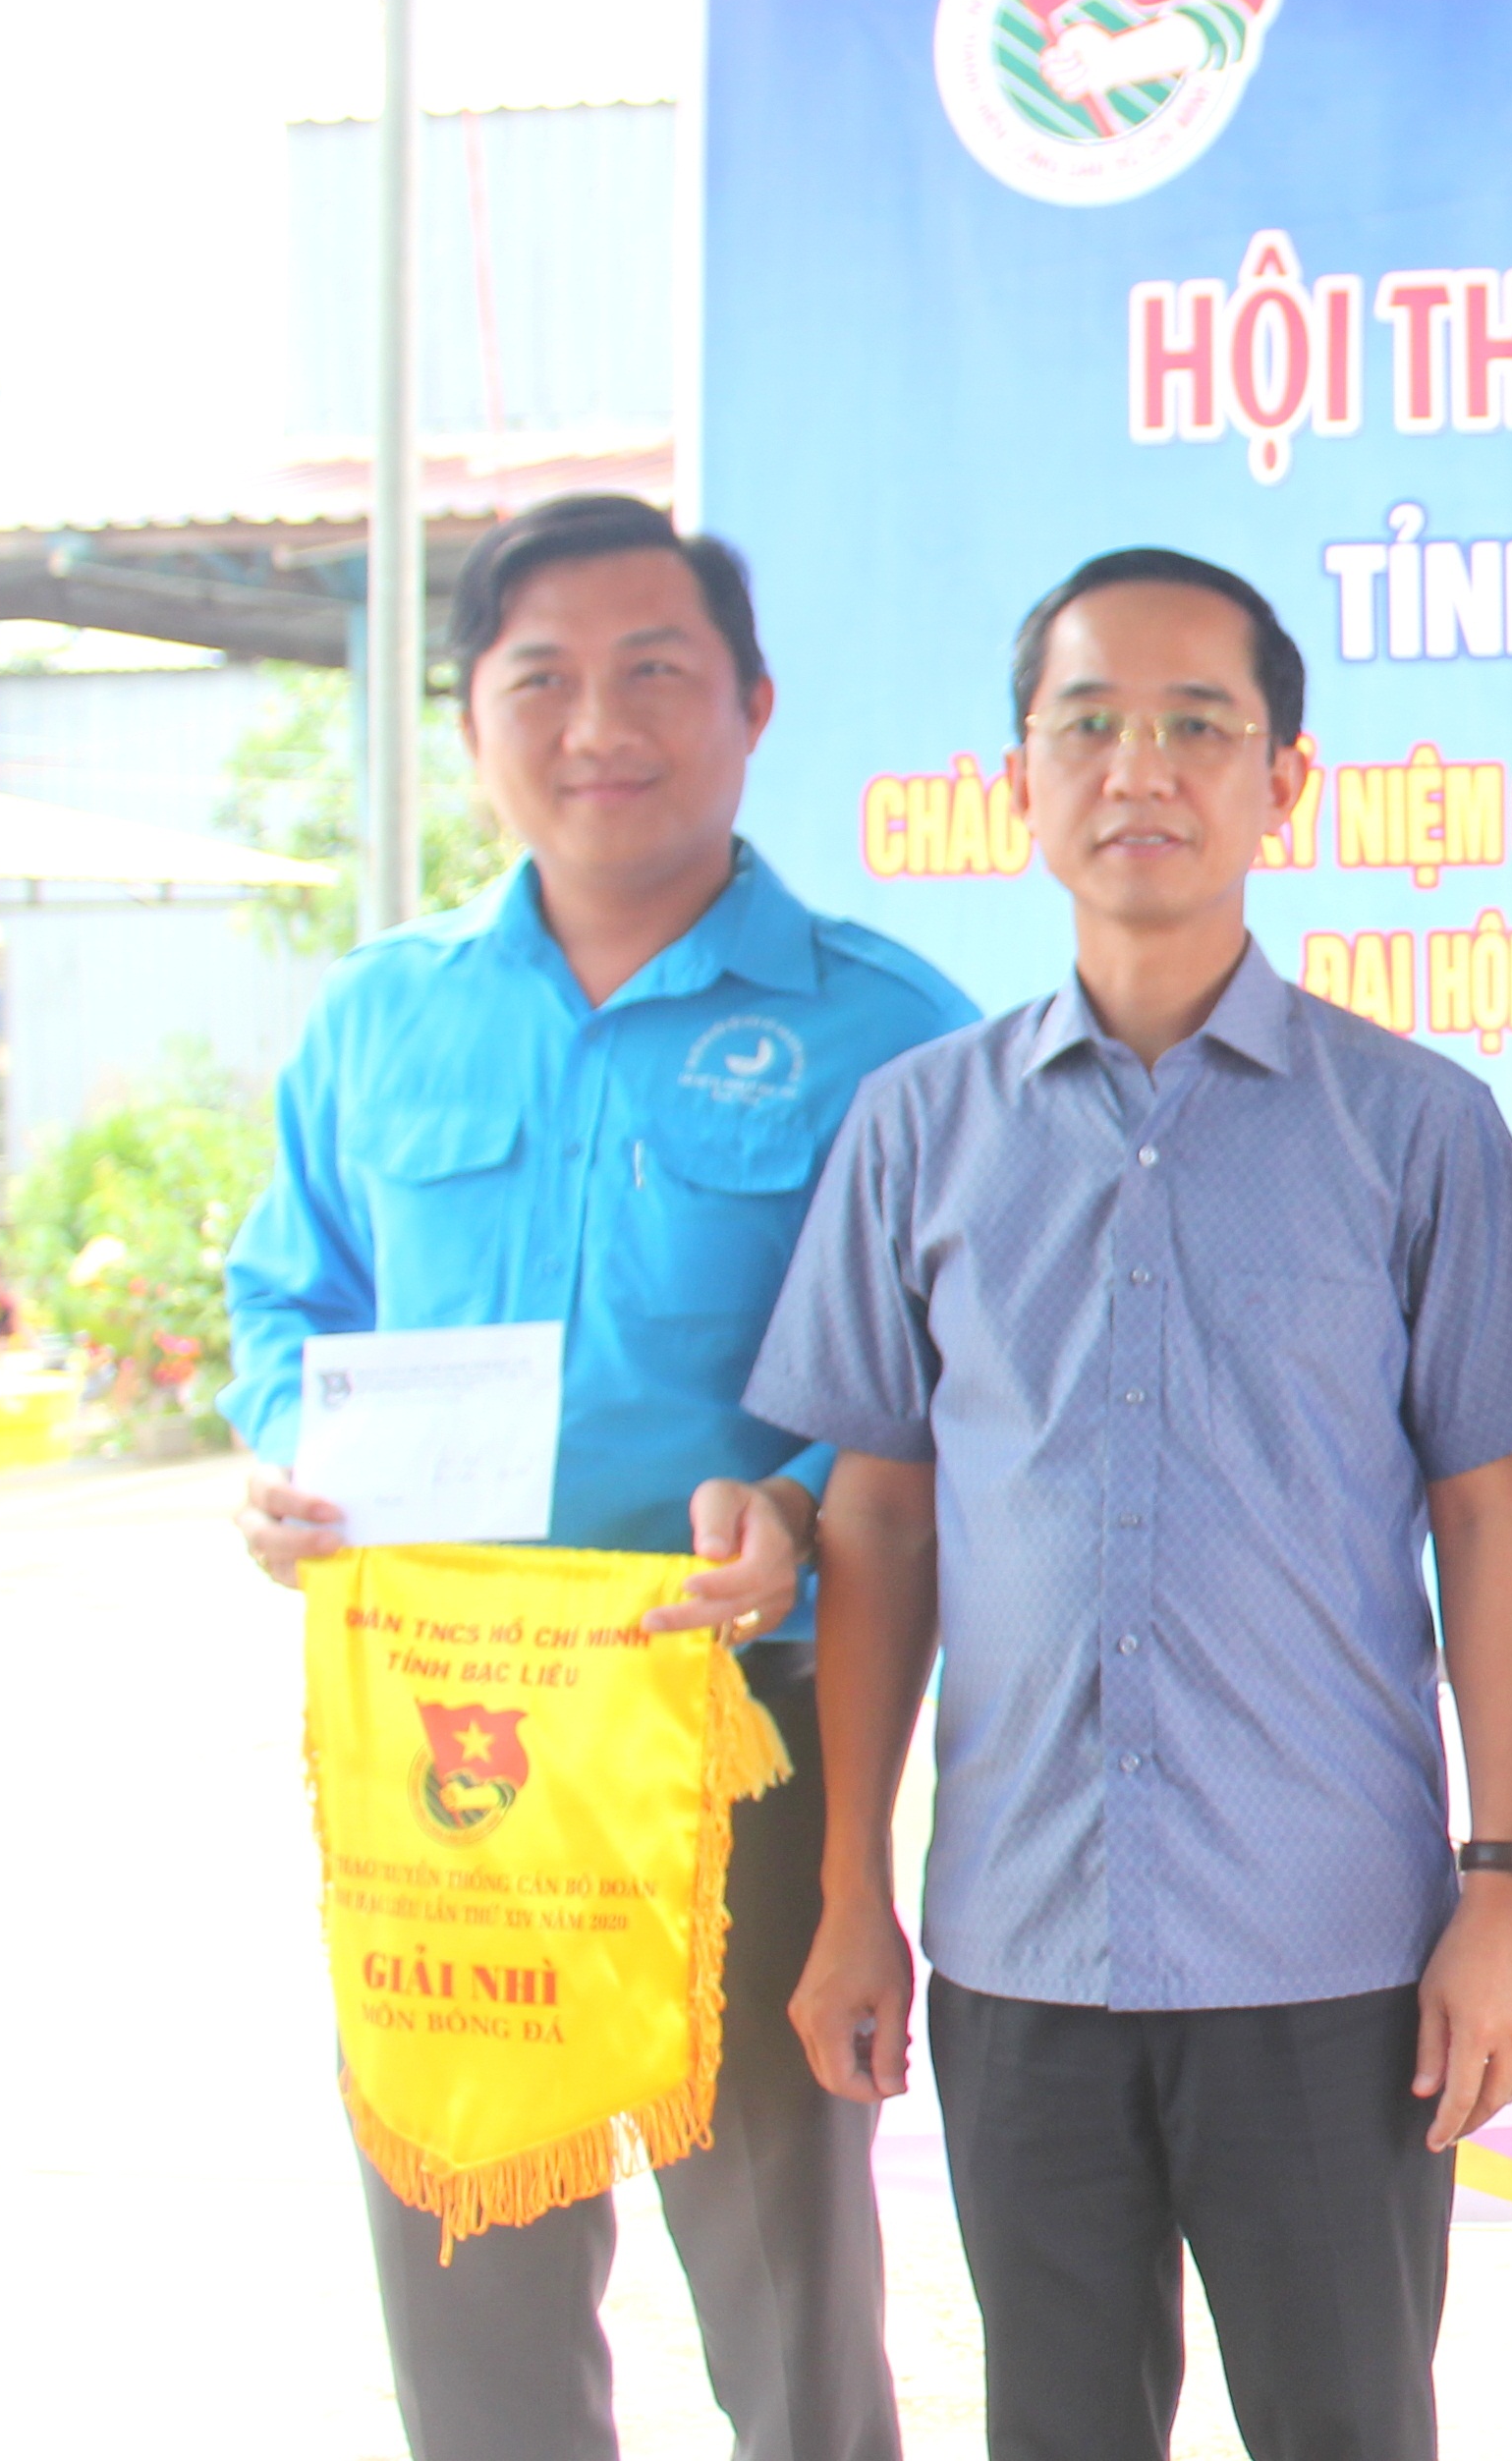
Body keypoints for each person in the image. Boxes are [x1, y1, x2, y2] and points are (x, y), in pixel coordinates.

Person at [746, 549, 1512, 2461]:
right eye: (1089, 725)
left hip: (1332, 1953)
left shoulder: (1412, 1124)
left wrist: (1502, 1882)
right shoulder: (918, 1128)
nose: (1140, 767)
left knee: (1346, 2425)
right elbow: (877, 1528)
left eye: (1198, 725)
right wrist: (851, 1896)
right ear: (1018, 780)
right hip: (1018, 1943)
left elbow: (1491, 1523)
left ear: (1284, 780)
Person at [223, 491, 968, 2461]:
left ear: (753, 706)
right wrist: (287, 1443)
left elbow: (971, 1356)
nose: (597, 725)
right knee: (465, 2263)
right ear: (471, 717)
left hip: (732, 1724)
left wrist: (796, 1492)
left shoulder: (886, 1025)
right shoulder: (379, 1016)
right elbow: (288, 1295)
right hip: (439, 1736)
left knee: (785, 2281)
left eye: (655, 672)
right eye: (539, 679)